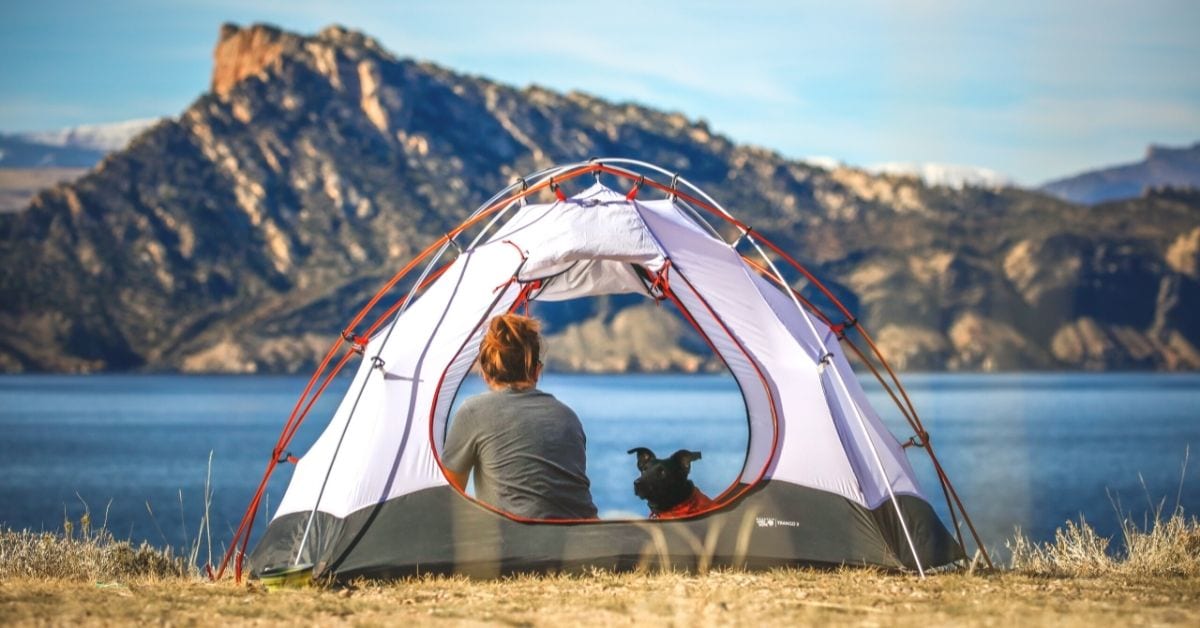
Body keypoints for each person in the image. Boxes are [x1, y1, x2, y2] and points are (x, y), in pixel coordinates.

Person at [442, 312, 598, 520]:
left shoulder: (473, 412)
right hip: (586, 542)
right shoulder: (568, 417)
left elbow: (451, 496)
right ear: (536, 370)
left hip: (516, 546)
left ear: (485, 372)